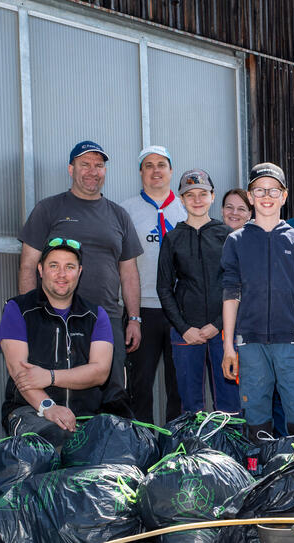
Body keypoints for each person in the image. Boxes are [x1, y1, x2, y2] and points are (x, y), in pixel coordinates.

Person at [17, 141, 141, 413]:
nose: (92, 171)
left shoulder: (119, 215)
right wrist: (29, 313)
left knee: (111, 393)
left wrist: (133, 318)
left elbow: (129, 271)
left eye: (99, 165)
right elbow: (28, 265)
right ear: (71, 169)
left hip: (105, 320)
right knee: (55, 388)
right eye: (85, 164)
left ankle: (107, 451)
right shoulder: (48, 209)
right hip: (55, 319)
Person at [220, 163, 294, 440]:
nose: (267, 195)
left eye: (273, 190)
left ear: (285, 196)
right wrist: (229, 346)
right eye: (259, 190)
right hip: (249, 343)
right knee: (256, 421)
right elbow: (231, 295)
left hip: (291, 342)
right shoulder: (236, 241)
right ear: (250, 196)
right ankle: (259, 473)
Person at [0, 237, 126, 447]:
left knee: (121, 447)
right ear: (40, 270)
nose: (62, 274)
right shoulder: (18, 309)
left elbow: (100, 372)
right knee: (59, 442)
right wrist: (48, 407)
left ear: (79, 271)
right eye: (54, 266)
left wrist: (49, 377)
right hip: (32, 411)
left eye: (69, 267)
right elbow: (20, 374)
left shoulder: (96, 315)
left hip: (86, 414)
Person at [156, 169, 237, 414]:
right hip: (186, 333)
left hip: (222, 331)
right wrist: (183, 328)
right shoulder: (172, 238)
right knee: (190, 405)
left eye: (203, 194)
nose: (197, 200)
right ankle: (193, 451)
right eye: (190, 195)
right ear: (181, 200)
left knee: (230, 402)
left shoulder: (227, 236)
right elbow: (164, 287)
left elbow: (237, 285)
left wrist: (219, 324)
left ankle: (230, 449)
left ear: (213, 197)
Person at [120, 145, 185, 424]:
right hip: (142, 309)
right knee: (139, 386)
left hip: (180, 311)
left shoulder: (187, 206)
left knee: (180, 385)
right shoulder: (126, 210)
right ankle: (142, 447)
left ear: (171, 171)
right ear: (140, 172)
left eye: (161, 164)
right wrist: (131, 315)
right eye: (148, 165)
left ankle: (176, 450)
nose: (155, 170)